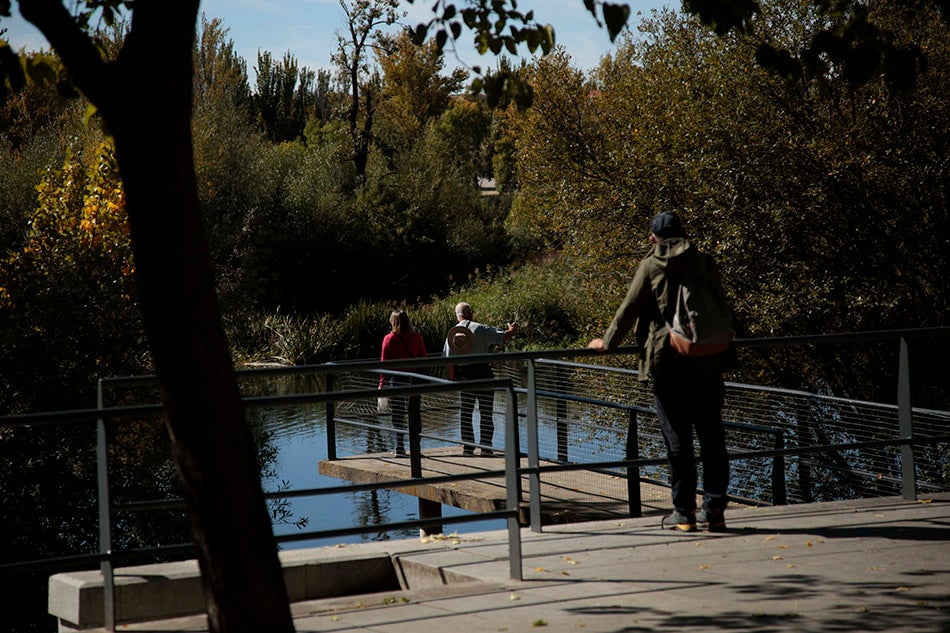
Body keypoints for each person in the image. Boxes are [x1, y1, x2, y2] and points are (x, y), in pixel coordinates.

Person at [588, 211, 733, 532]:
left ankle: (684, 512)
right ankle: (715, 508)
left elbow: (629, 308)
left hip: (667, 364)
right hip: (709, 360)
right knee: (712, 436)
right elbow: (721, 305)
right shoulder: (705, 261)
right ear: (683, 233)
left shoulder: (651, 265)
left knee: (677, 438)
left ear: (653, 238)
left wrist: (607, 343)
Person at [443, 302, 517, 456]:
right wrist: (512, 329)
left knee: (466, 411)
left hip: (464, 375)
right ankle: (486, 447)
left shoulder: (452, 334)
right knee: (486, 411)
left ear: (458, 316)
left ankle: (468, 448)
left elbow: (448, 362)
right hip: (483, 373)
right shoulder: (481, 328)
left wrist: (451, 381)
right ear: (469, 314)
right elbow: (503, 337)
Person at [379, 309, 428, 456]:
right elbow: (424, 359)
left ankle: (399, 447)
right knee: (414, 413)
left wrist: (382, 383)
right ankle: (415, 448)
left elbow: (384, 363)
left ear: (393, 322)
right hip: (415, 378)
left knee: (398, 414)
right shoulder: (417, 337)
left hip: (397, 378)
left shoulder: (389, 339)